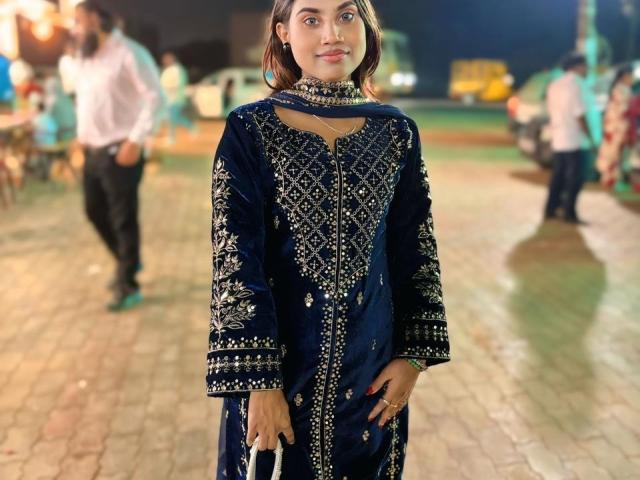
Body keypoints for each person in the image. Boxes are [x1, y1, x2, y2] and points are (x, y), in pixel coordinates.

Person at [206, 1, 451, 478]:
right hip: (277, 381)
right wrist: (259, 383)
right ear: (283, 32)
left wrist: (413, 357)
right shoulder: (251, 130)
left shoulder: (396, 131)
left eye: (346, 16)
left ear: (367, 26)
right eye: (311, 19)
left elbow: (415, 249)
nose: (331, 34)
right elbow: (236, 261)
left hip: (370, 384)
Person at [73, 0, 164, 311]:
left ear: (95, 18)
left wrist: (135, 140)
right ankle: (129, 261)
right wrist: (81, 136)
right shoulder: (85, 58)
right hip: (93, 150)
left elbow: (155, 98)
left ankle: (128, 284)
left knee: (123, 219)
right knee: (93, 211)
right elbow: (88, 102)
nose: (75, 28)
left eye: (79, 21)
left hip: (120, 151)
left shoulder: (129, 53)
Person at [543, 53, 596, 225]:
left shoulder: (555, 84)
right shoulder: (576, 85)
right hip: (574, 139)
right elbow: (579, 114)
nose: (587, 70)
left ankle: (550, 209)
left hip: (558, 137)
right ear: (577, 67)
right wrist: (591, 138)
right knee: (575, 178)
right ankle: (569, 212)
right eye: (586, 66)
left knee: (558, 176)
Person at [596, 65, 639, 191]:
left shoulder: (622, 89)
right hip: (617, 128)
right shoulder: (621, 90)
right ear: (625, 76)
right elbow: (625, 110)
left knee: (617, 154)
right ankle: (613, 180)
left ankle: (615, 179)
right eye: (631, 76)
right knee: (615, 155)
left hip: (616, 127)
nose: (632, 79)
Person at [160, 51, 195, 144]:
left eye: (167, 58)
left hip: (176, 98)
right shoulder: (168, 70)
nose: (165, 61)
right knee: (175, 118)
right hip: (168, 99)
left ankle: (172, 138)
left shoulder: (177, 69)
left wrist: (169, 89)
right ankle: (191, 127)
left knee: (173, 119)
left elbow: (178, 84)